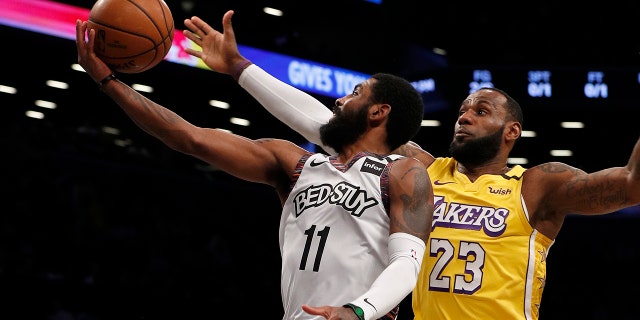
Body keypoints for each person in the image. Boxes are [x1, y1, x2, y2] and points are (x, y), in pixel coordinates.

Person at [181, 10, 640, 320]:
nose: (464, 115)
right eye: (462, 109)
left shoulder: (537, 185)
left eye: (481, 111)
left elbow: (630, 184)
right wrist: (240, 67)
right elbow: (328, 124)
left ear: (512, 132)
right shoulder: (420, 169)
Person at [76, 15, 434, 320]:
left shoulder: (404, 172)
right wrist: (110, 83)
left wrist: (357, 311)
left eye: (355, 92)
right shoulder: (294, 164)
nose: (340, 99)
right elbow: (191, 138)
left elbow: (406, 265)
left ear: (379, 112)